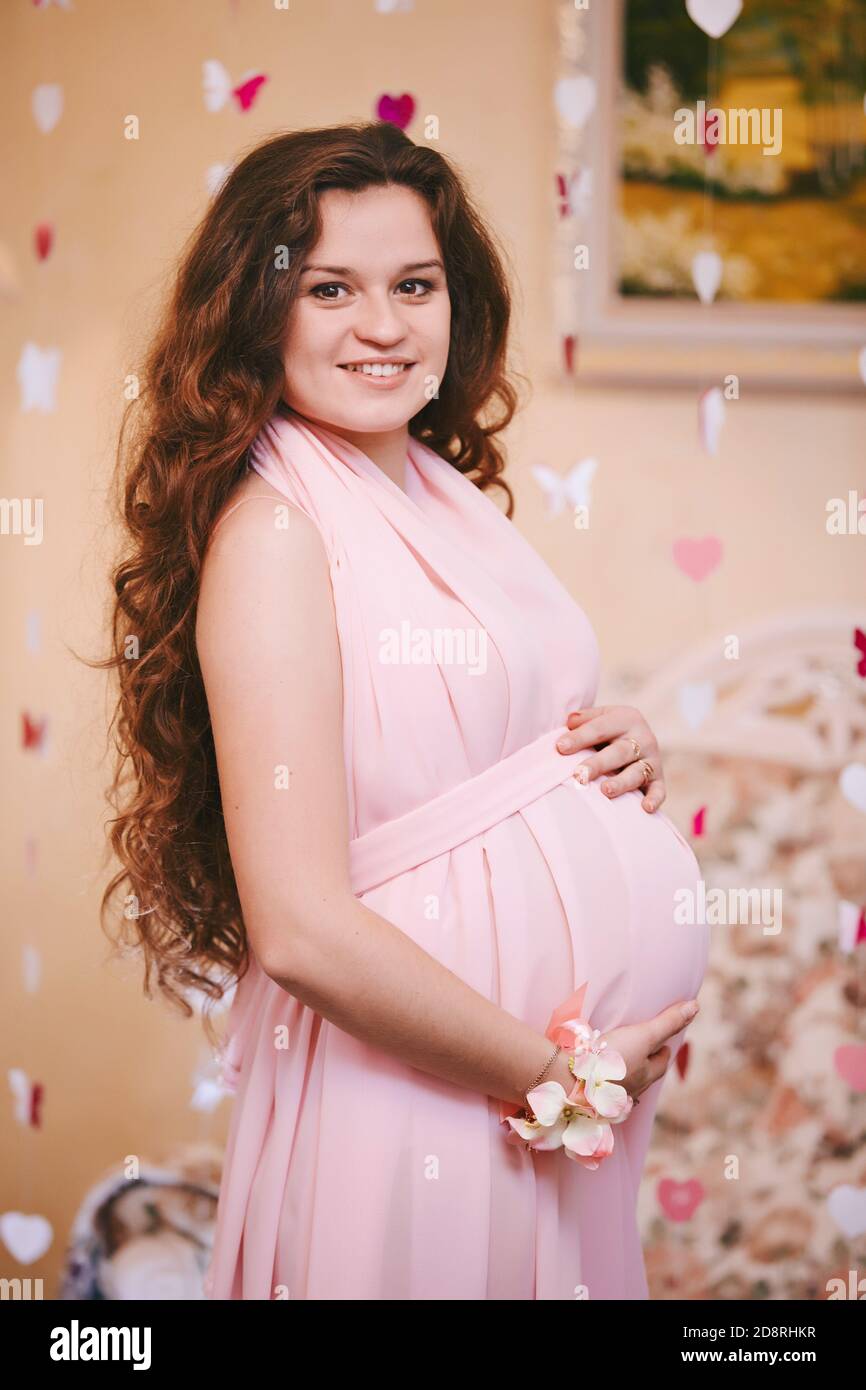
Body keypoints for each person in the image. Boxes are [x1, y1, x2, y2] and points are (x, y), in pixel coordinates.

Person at [102, 121, 709, 1301]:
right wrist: (553, 1073)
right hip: (429, 1096)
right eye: (330, 287)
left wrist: (604, 745)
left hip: (530, 1099)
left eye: (413, 285)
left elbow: (478, 742)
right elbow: (300, 927)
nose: (382, 326)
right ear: (256, 309)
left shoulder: (430, 484)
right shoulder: (276, 529)